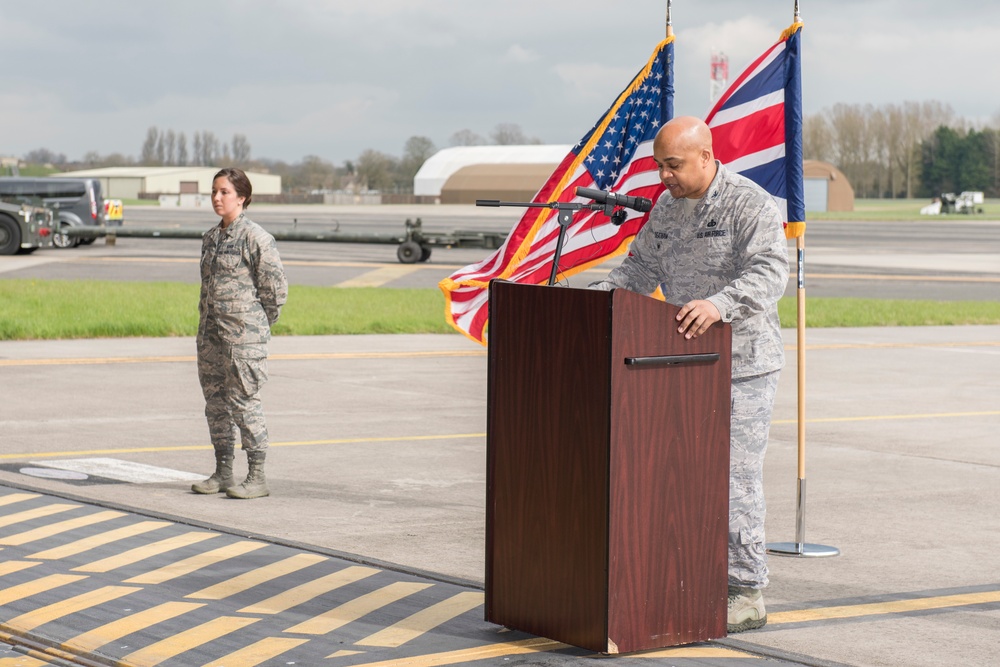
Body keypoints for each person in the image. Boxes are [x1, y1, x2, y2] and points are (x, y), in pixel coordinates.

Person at [590, 116, 789, 633]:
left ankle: (746, 591)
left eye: (673, 165)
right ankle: (690, 576)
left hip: (742, 366)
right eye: (659, 166)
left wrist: (719, 304)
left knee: (732, 479)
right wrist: (588, 303)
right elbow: (637, 273)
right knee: (677, 475)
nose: (664, 176)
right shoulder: (666, 209)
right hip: (679, 364)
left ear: (706, 156)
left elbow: (770, 273)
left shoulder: (750, 204)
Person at [192, 167, 288, 500]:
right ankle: (223, 473)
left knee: (244, 403)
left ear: (242, 197)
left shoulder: (256, 238)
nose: (217, 198)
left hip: (243, 340)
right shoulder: (211, 238)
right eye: (214, 192)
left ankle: (257, 476)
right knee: (215, 405)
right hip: (211, 338)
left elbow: (275, 292)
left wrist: (255, 327)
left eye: (224, 192)